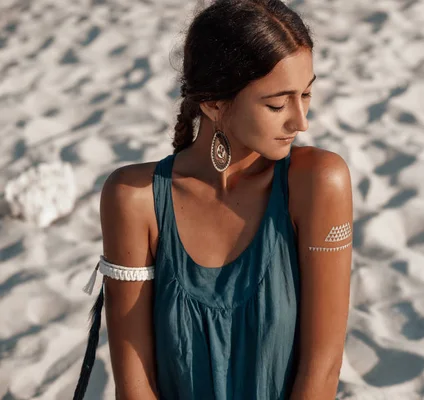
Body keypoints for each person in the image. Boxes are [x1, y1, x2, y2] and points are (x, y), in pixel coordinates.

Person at [73, 0, 353, 399]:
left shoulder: (317, 183)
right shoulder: (134, 199)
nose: (300, 120)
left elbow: (321, 370)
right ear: (215, 103)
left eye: (305, 94)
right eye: (277, 103)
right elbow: (134, 385)